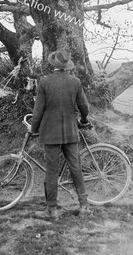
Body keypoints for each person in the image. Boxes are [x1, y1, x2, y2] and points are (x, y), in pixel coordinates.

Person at [31, 48, 92, 220]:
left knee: (51, 171)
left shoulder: (44, 82)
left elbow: (38, 112)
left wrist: (33, 129)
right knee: (76, 168)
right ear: (67, 66)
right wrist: (84, 120)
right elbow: (84, 107)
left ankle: (52, 210)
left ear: (53, 64)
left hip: (51, 133)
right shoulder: (75, 82)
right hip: (71, 131)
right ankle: (84, 207)